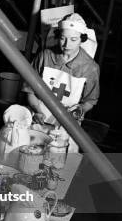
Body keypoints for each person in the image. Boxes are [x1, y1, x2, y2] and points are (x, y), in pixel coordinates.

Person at [23, 13, 100, 151]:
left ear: (82, 40)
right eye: (63, 38)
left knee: (61, 161)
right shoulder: (45, 57)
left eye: (73, 39)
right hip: (40, 119)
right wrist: (37, 111)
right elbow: (29, 90)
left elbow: (90, 100)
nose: (66, 44)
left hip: (68, 125)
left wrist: (80, 109)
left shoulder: (90, 68)